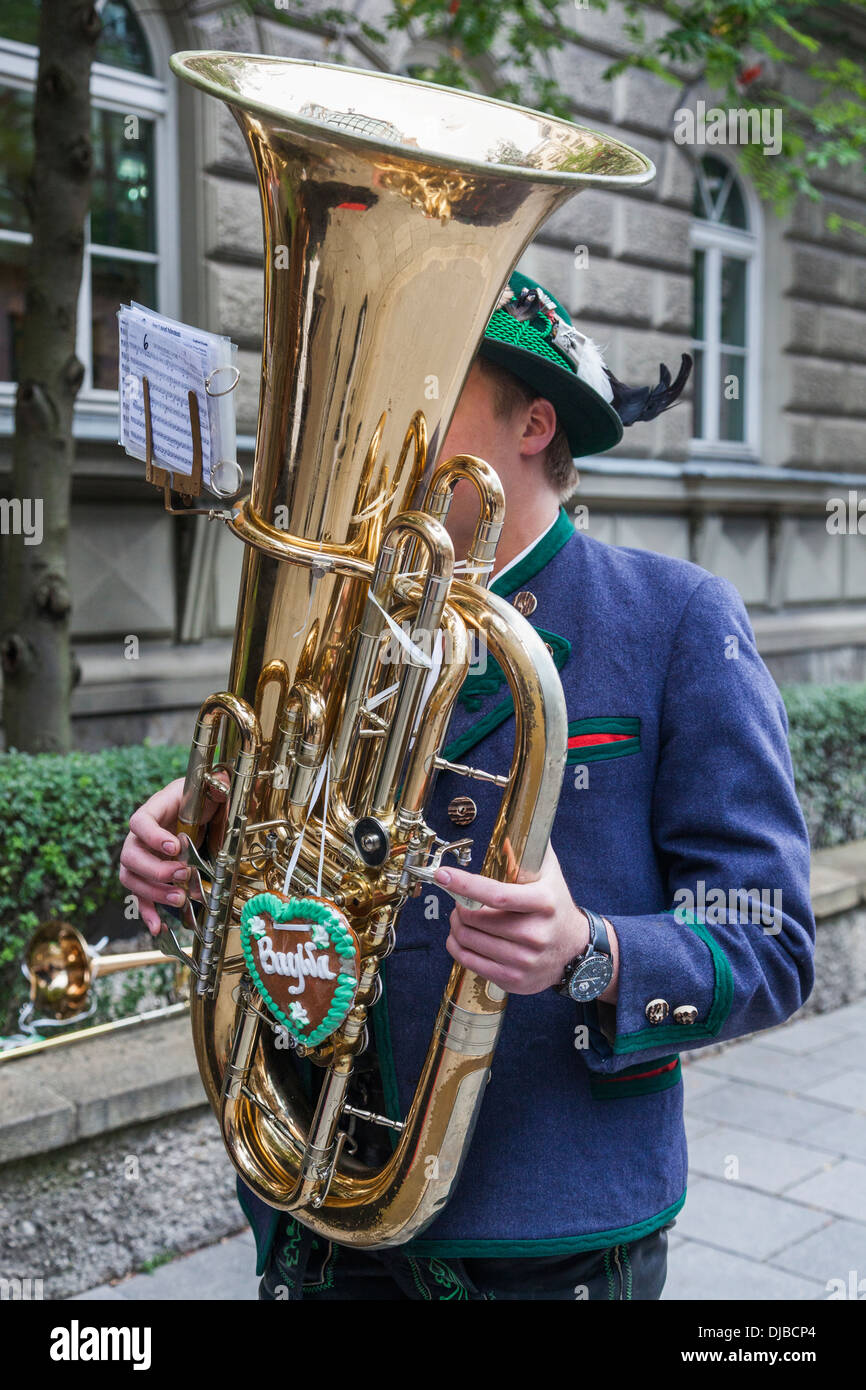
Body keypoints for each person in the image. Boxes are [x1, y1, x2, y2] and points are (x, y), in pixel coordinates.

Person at [120, 272, 815, 1301]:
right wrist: (200, 846)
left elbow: (770, 943)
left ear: (533, 423)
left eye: (421, 394)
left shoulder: (672, 616)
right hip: (317, 1214)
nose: (374, 430)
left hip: (551, 1239)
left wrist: (590, 952)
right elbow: (305, 864)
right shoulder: (338, 614)